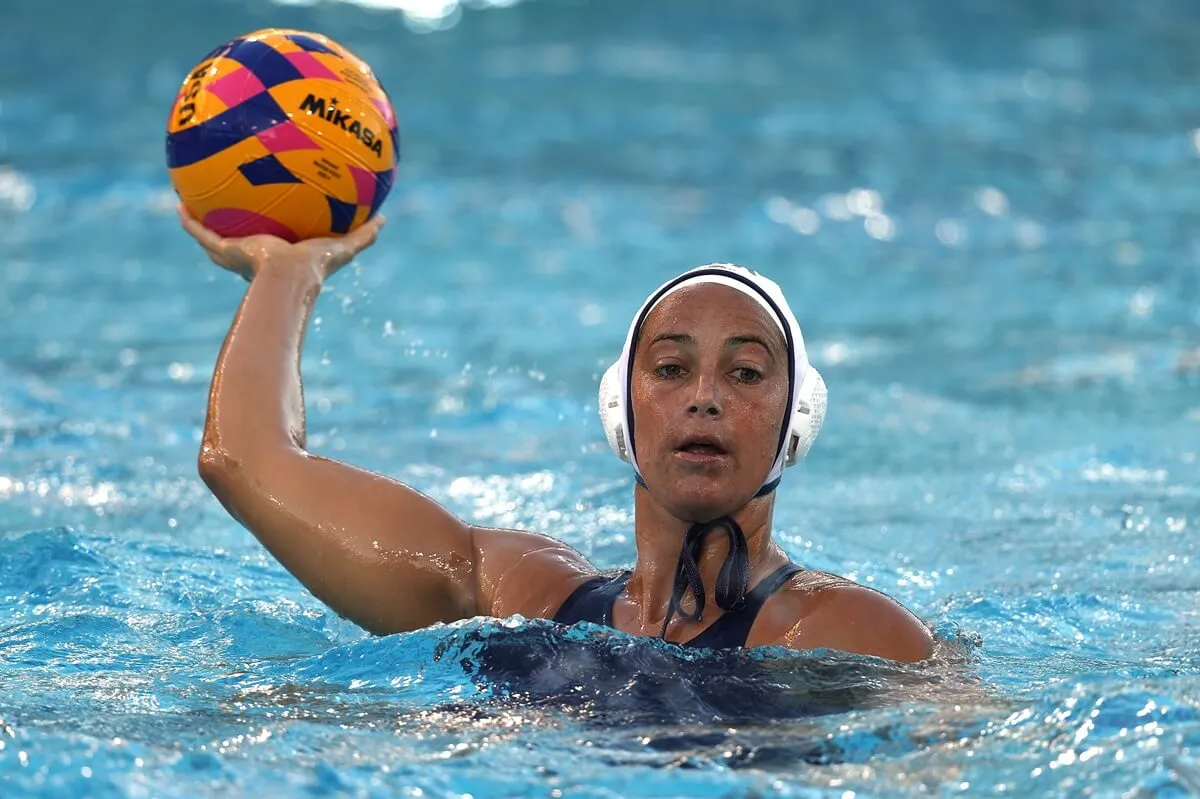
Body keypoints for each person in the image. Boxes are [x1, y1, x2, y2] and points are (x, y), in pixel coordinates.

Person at [181, 206, 933, 663]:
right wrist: (288, 271)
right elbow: (243, 458)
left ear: (796, 418)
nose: (704, 397)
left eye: (745, 374)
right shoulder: (515, 591)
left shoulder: (849, 633)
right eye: (671, 368)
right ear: (621, 409)